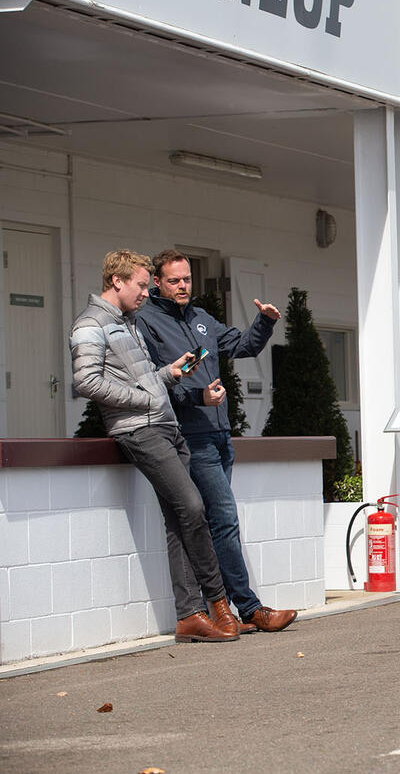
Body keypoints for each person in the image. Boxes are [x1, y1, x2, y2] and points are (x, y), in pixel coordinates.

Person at [70, 250, 238, 642]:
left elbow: (142, 379)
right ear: (117, 281)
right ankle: (218, 603)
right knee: (193, 508)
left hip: (166, 427)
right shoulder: (90, 324)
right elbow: (86, 382)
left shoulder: (127, 323)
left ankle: (189, 616)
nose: (147, 293)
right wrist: (145, 399)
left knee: (179, 520)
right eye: (142, 286)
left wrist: (170, 374)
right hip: (140, 430)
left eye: (148, 286)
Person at [136, 249, 296, 633]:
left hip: (221, 435)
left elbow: (242, 346)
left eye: (187, 279)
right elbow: (155, 383)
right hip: (192, 438)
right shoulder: (146, 322)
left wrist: (264, 322)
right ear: (157, 282)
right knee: (223, 519)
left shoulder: (200, 318)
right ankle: (249, 608)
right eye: (174, 280)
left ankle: (222, 609)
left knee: (213, 523)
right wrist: (198, 397)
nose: (182, 286)